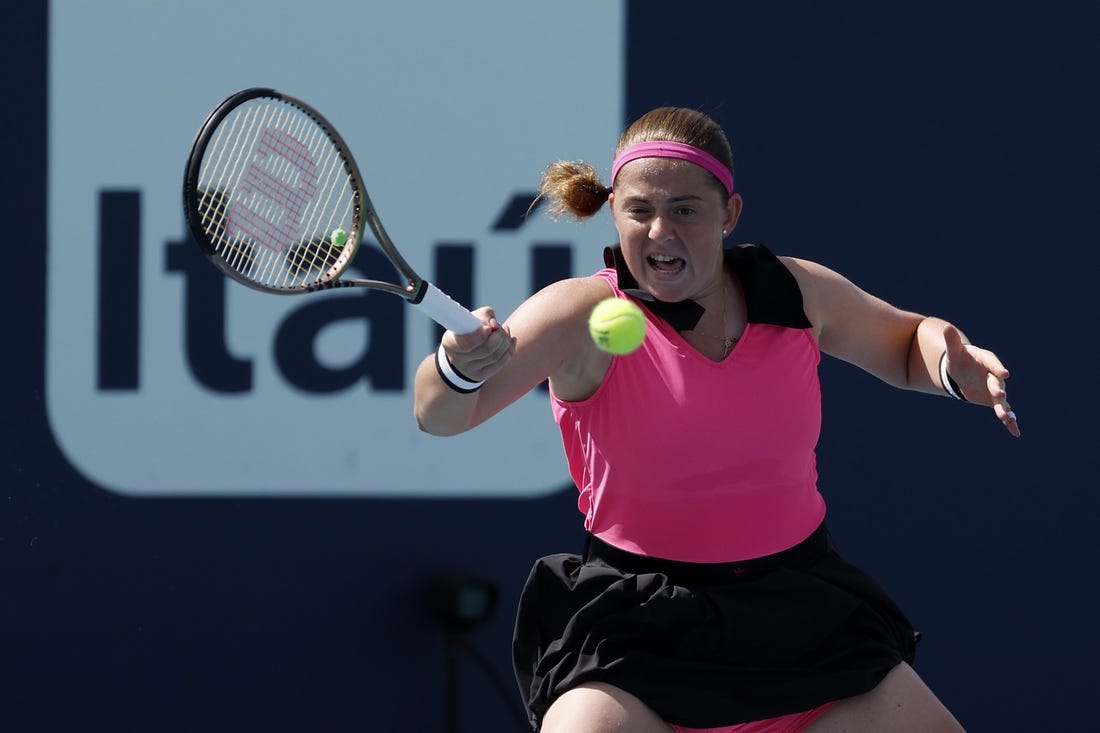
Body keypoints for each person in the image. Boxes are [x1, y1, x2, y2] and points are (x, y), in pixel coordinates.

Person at [413, 106, 1018, 733]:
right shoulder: (579, 312)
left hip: (803, 618)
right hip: (634, 635)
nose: (659, 232)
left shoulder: (795, 293)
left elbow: (905, 343)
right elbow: (440, 417)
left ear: (729, 214)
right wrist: (458, 368)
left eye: (685, 210)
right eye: (639, 210)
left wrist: (951, 367)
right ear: (613, 209)